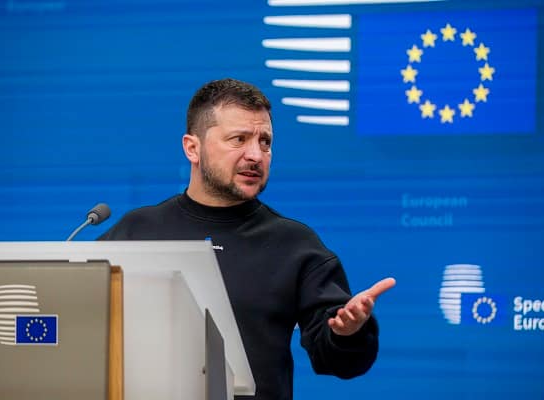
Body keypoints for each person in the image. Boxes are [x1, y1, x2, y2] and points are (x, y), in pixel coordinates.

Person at [99, 78, 395, 400]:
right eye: (239, 139)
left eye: (265, 142)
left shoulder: (295, 245)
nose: (255, 155)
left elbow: (341, 360)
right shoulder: (136, 232)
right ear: (192, 148)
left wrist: (348, 333)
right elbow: (79, 321)